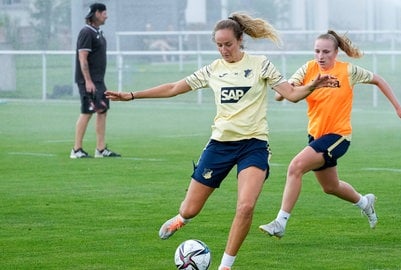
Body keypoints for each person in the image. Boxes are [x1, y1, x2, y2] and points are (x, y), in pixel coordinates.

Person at [105, 13, 338, 270]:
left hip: (253, 145)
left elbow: (292, 94)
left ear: (240, 40)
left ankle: (225, 266)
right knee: (192, 209)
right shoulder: (213, 70)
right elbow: (174, 88)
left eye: (228, 44)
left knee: (246, 206)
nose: (223, 49)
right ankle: (182, 218)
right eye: (219, 45)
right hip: (219, 146)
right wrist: (131, 95)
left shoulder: (261, 65)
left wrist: (313, 85)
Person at [259, 30, 401, 238]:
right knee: (330, 187)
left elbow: (379, 80)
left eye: (326, 52)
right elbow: (280, 95)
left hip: (338, 136)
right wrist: (307, 86)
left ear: (336, 52)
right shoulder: (308, 68)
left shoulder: (348, 71)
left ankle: (280, 222)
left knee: (295, 167)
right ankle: (365, 202)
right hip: (316, 136)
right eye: (317, 51)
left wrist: (398, 107)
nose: (321, 56)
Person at [70, 3, 120, 159]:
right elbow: (82, 58)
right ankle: (76, 149)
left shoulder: (98, 32)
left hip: (98, 81)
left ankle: (100, 149)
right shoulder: (86, 32)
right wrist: (88, 81)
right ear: (97, 13)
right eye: (104, 13)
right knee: (87, 112)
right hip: (89, 81)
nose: (107, 16)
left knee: (102, 111)